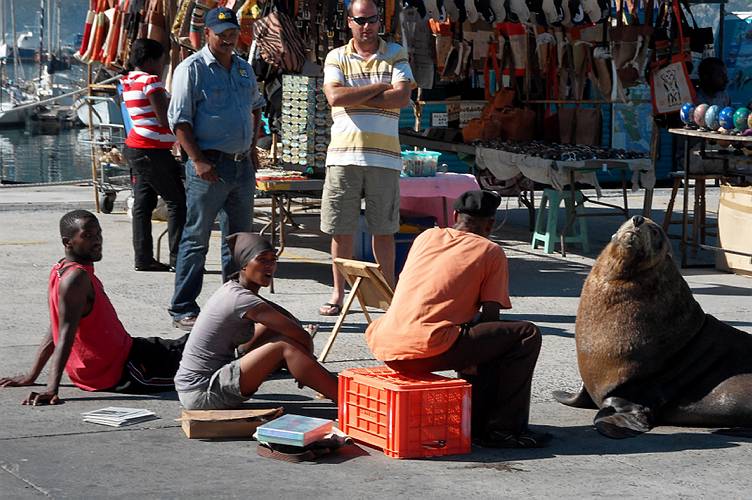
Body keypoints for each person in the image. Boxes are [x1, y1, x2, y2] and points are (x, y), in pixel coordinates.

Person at [365, 190, 549, 448]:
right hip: (426, 348)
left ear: (454, 216)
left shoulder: (426, 237)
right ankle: (504, 429)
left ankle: (480, 420)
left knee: (479, 339)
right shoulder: (491, 251)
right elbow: (490, 316)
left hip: (386, 345)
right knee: (525, 334)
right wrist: (473, 359)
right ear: (491, 224)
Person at [0, 210, 188, 406]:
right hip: (123, 371)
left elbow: (55, 326)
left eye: (98, 234)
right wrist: (51, 388)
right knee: (203, 363)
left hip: (128, 351)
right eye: (87, 236)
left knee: (195, 342)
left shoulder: (61, 270)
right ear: (67, 242)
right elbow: (64, 333)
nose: (97, 240)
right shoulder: (75, 279)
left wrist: (32, 375)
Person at [168, 6, 266, 331]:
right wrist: (197, 160)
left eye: (232, 33)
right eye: (221, 33)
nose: (228, 39)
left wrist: (251, 148)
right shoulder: (191, 69)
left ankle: (232, 301)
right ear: (207, 33)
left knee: (239, 241)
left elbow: (255, 109)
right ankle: (183, 307)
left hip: (241, 167)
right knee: (196, 238)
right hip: (208, 167)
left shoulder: (243, 69)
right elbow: (179, 121)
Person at [319, 0, 415, 317]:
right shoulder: (336, 56)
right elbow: (334, 97)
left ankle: (386, 293)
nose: (367, 26)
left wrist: (355, 95)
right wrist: (378, 88)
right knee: (340, 230)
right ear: (349, 22)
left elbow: (402, 97)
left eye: (372, 19)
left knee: (384, 231)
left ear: (379, 21)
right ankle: (337, 293)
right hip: (343, 157)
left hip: (384, 159)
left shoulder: (396, 53)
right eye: (360, 20)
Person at [175, 233, 338, 410]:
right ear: (244, 264)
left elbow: (287, 320)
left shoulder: (234, 289)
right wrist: (307, 364)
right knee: (284, 346)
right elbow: (301, 336)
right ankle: (346, 398)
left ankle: (324, 383)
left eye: (273, 260)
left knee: (276, 332)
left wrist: (305, 367)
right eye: (262, 260)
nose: (269, 266)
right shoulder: (242, 300)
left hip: (200, 385)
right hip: (203, 393)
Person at [122, 38, 186, 272]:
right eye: (162, 60)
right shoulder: (151, 82)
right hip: (151, 151)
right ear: (150, 61)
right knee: (178, 202)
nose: (163, 66)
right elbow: (165, 118)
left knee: (143, 204)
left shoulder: (129, 79)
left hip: (136, 148)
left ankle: (143, 258)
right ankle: (178, 260)